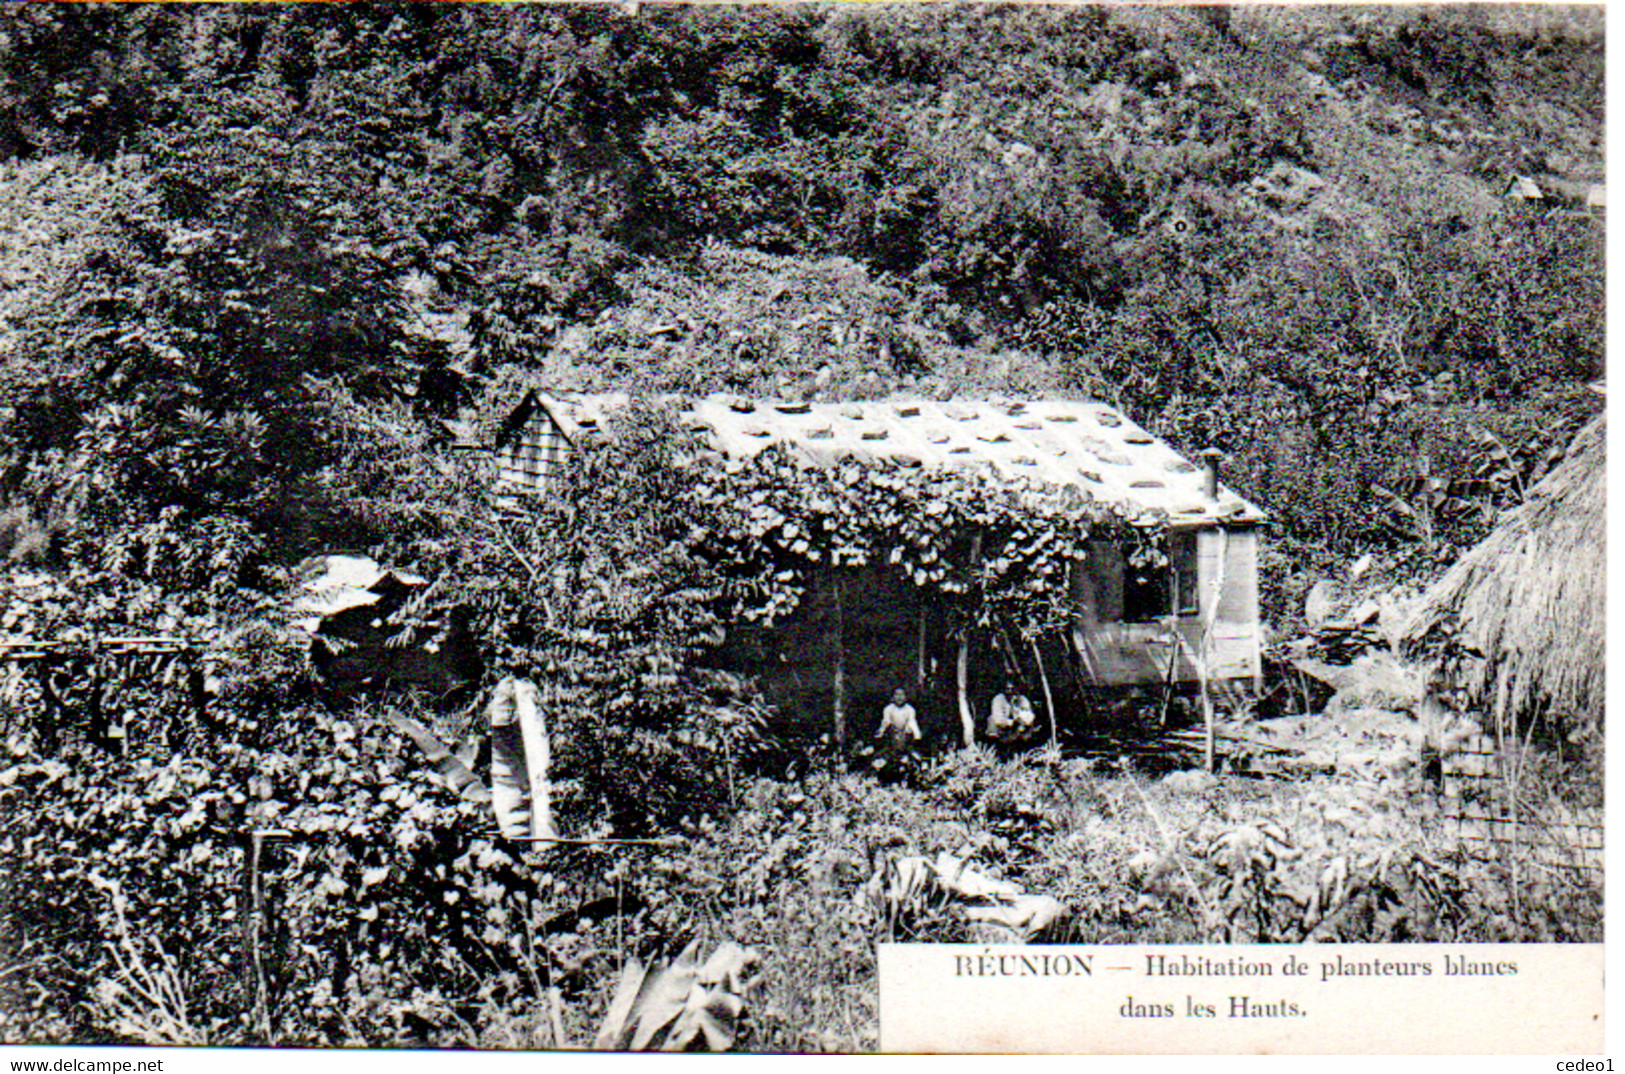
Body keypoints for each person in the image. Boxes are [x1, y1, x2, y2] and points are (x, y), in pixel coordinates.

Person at [874, 688, 922, 778]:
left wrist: (916, 734)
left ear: (906, 697)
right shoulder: (888, 709)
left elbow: (912, 722)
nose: (899, 698)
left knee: (913, 753)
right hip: (893, 736)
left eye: (902, 695)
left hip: (905, 736)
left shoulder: (910, 709)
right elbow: (886, 721)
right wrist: (881, 731)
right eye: (897, 695)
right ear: (893, 697)